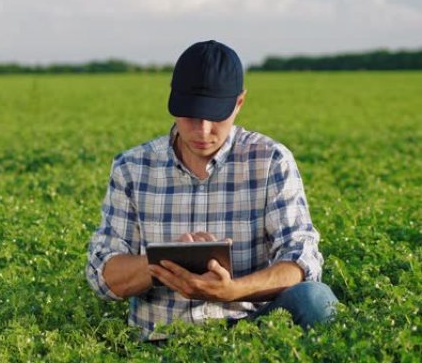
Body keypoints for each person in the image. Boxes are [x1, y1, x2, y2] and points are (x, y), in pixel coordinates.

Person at [85, 40, 338, 341]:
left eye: (216, 115)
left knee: (314, 300)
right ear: (173, 99)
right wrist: (164, 262)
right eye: (190, 115)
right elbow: (103, 275)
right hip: (165, 342)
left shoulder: (270, 160)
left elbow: (302, 260)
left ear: (239, 102)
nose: (202, 130)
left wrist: (232, 290)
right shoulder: (132, 167)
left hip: (251, 336)